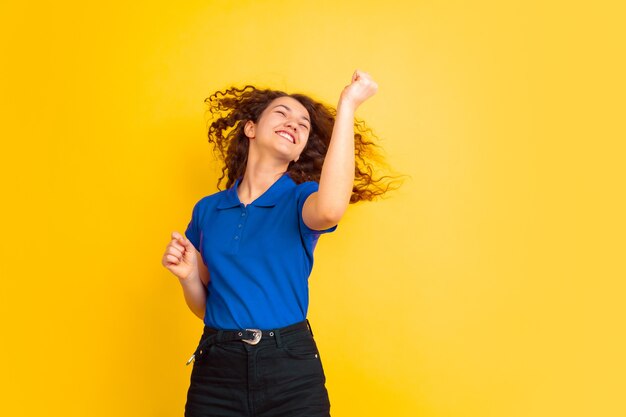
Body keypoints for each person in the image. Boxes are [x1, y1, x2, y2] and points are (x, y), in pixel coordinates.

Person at [162, 70, 394, 417]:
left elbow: (331, 210)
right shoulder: (208, 210)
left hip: (290, 369)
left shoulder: (301, 200)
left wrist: (347, 105)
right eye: (282, 113)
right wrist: (188, 277)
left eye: (303, 125)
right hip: (217, 370)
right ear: (251, 128)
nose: (295, 124)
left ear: (300, 151)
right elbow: (206, 307)